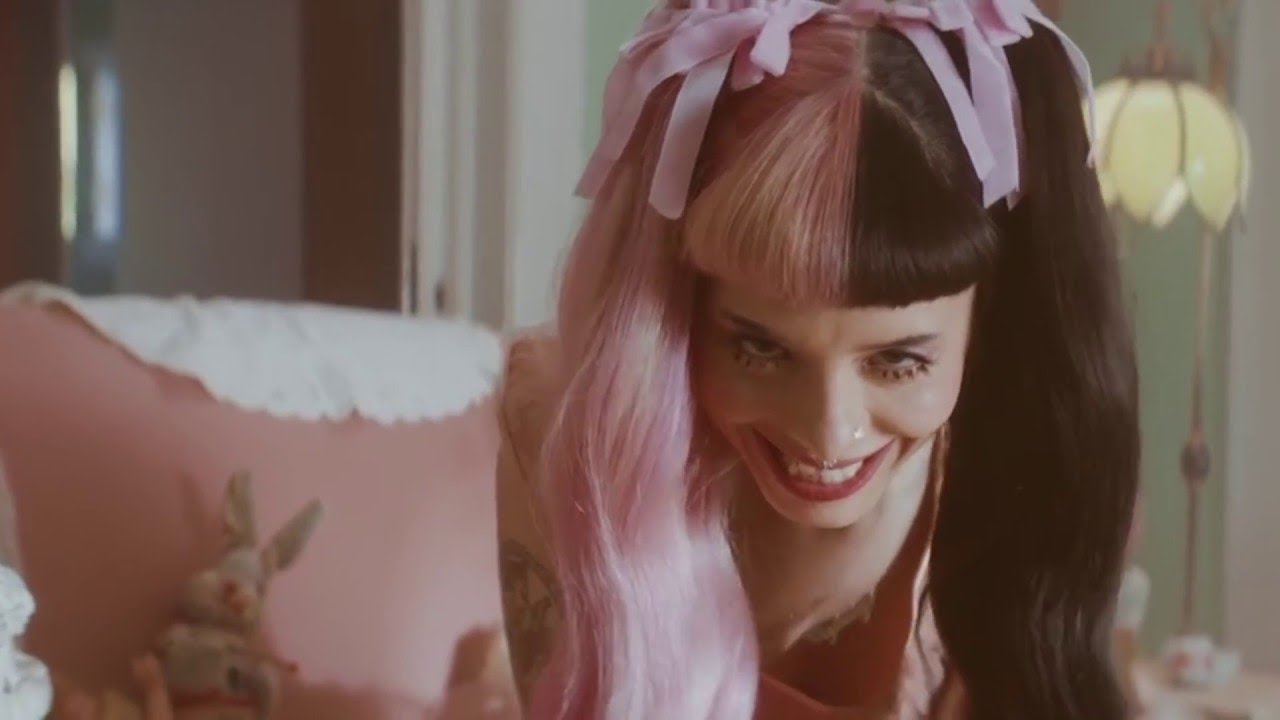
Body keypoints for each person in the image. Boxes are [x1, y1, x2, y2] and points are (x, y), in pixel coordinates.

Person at [496, 0, 1140, 718]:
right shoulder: (557, 425)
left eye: (897, 362)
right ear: (679, 306)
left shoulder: (1031, 481)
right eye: (759, 349)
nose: (829, 432)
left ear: (980, 321)